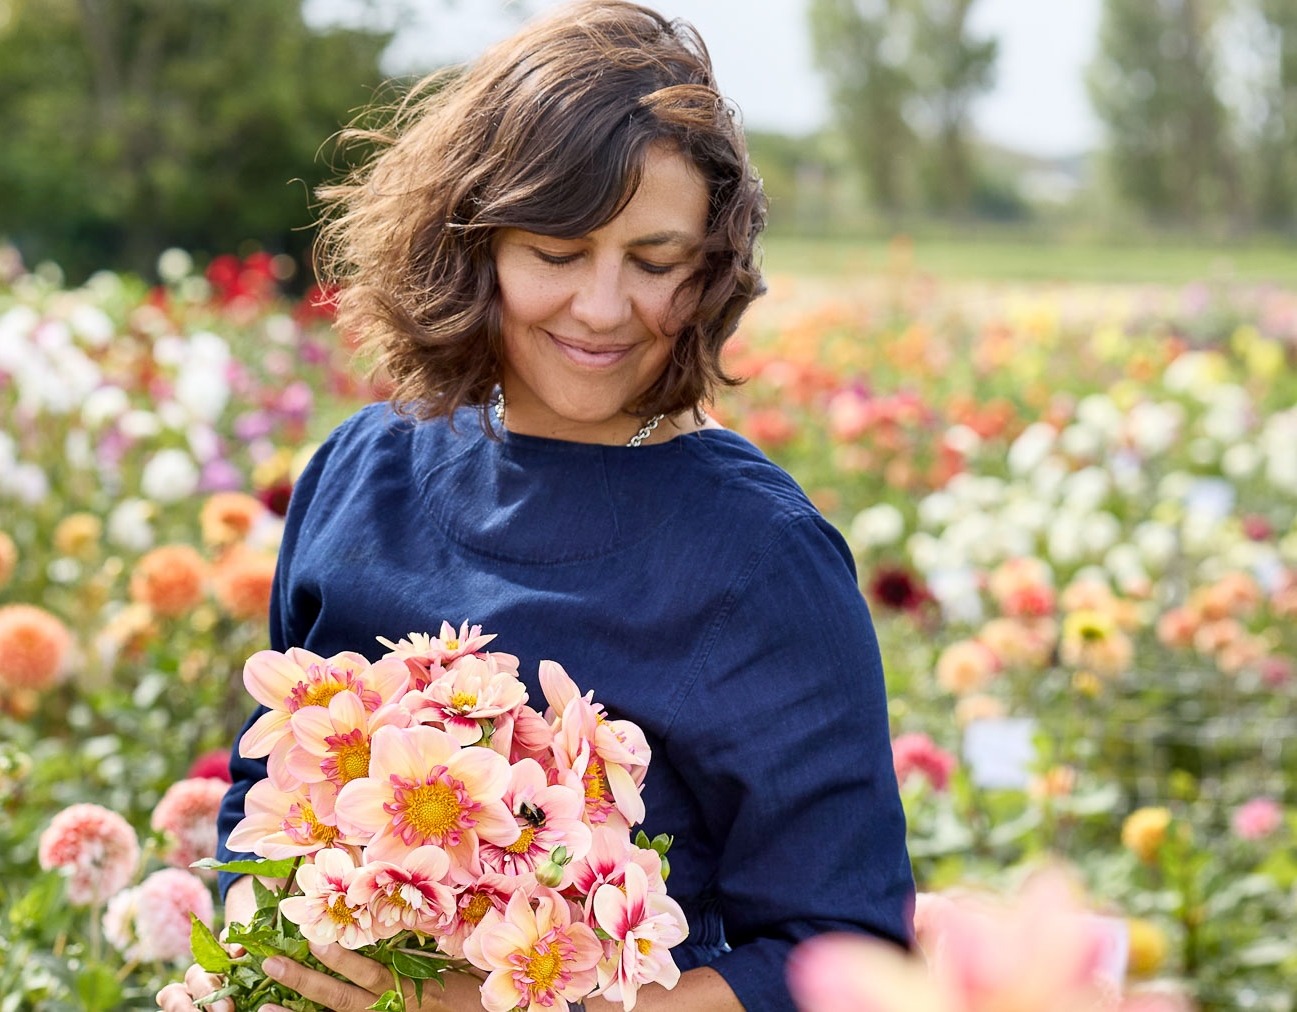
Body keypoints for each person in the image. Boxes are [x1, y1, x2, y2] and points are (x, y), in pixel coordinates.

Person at [156, 2, 914, 1010]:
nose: (603, 308)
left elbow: (840, 952)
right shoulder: (359, 473)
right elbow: (265, 797)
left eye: (654, 262)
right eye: (557, 252)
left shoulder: (760, 555)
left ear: (712, 269)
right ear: (473, 241)